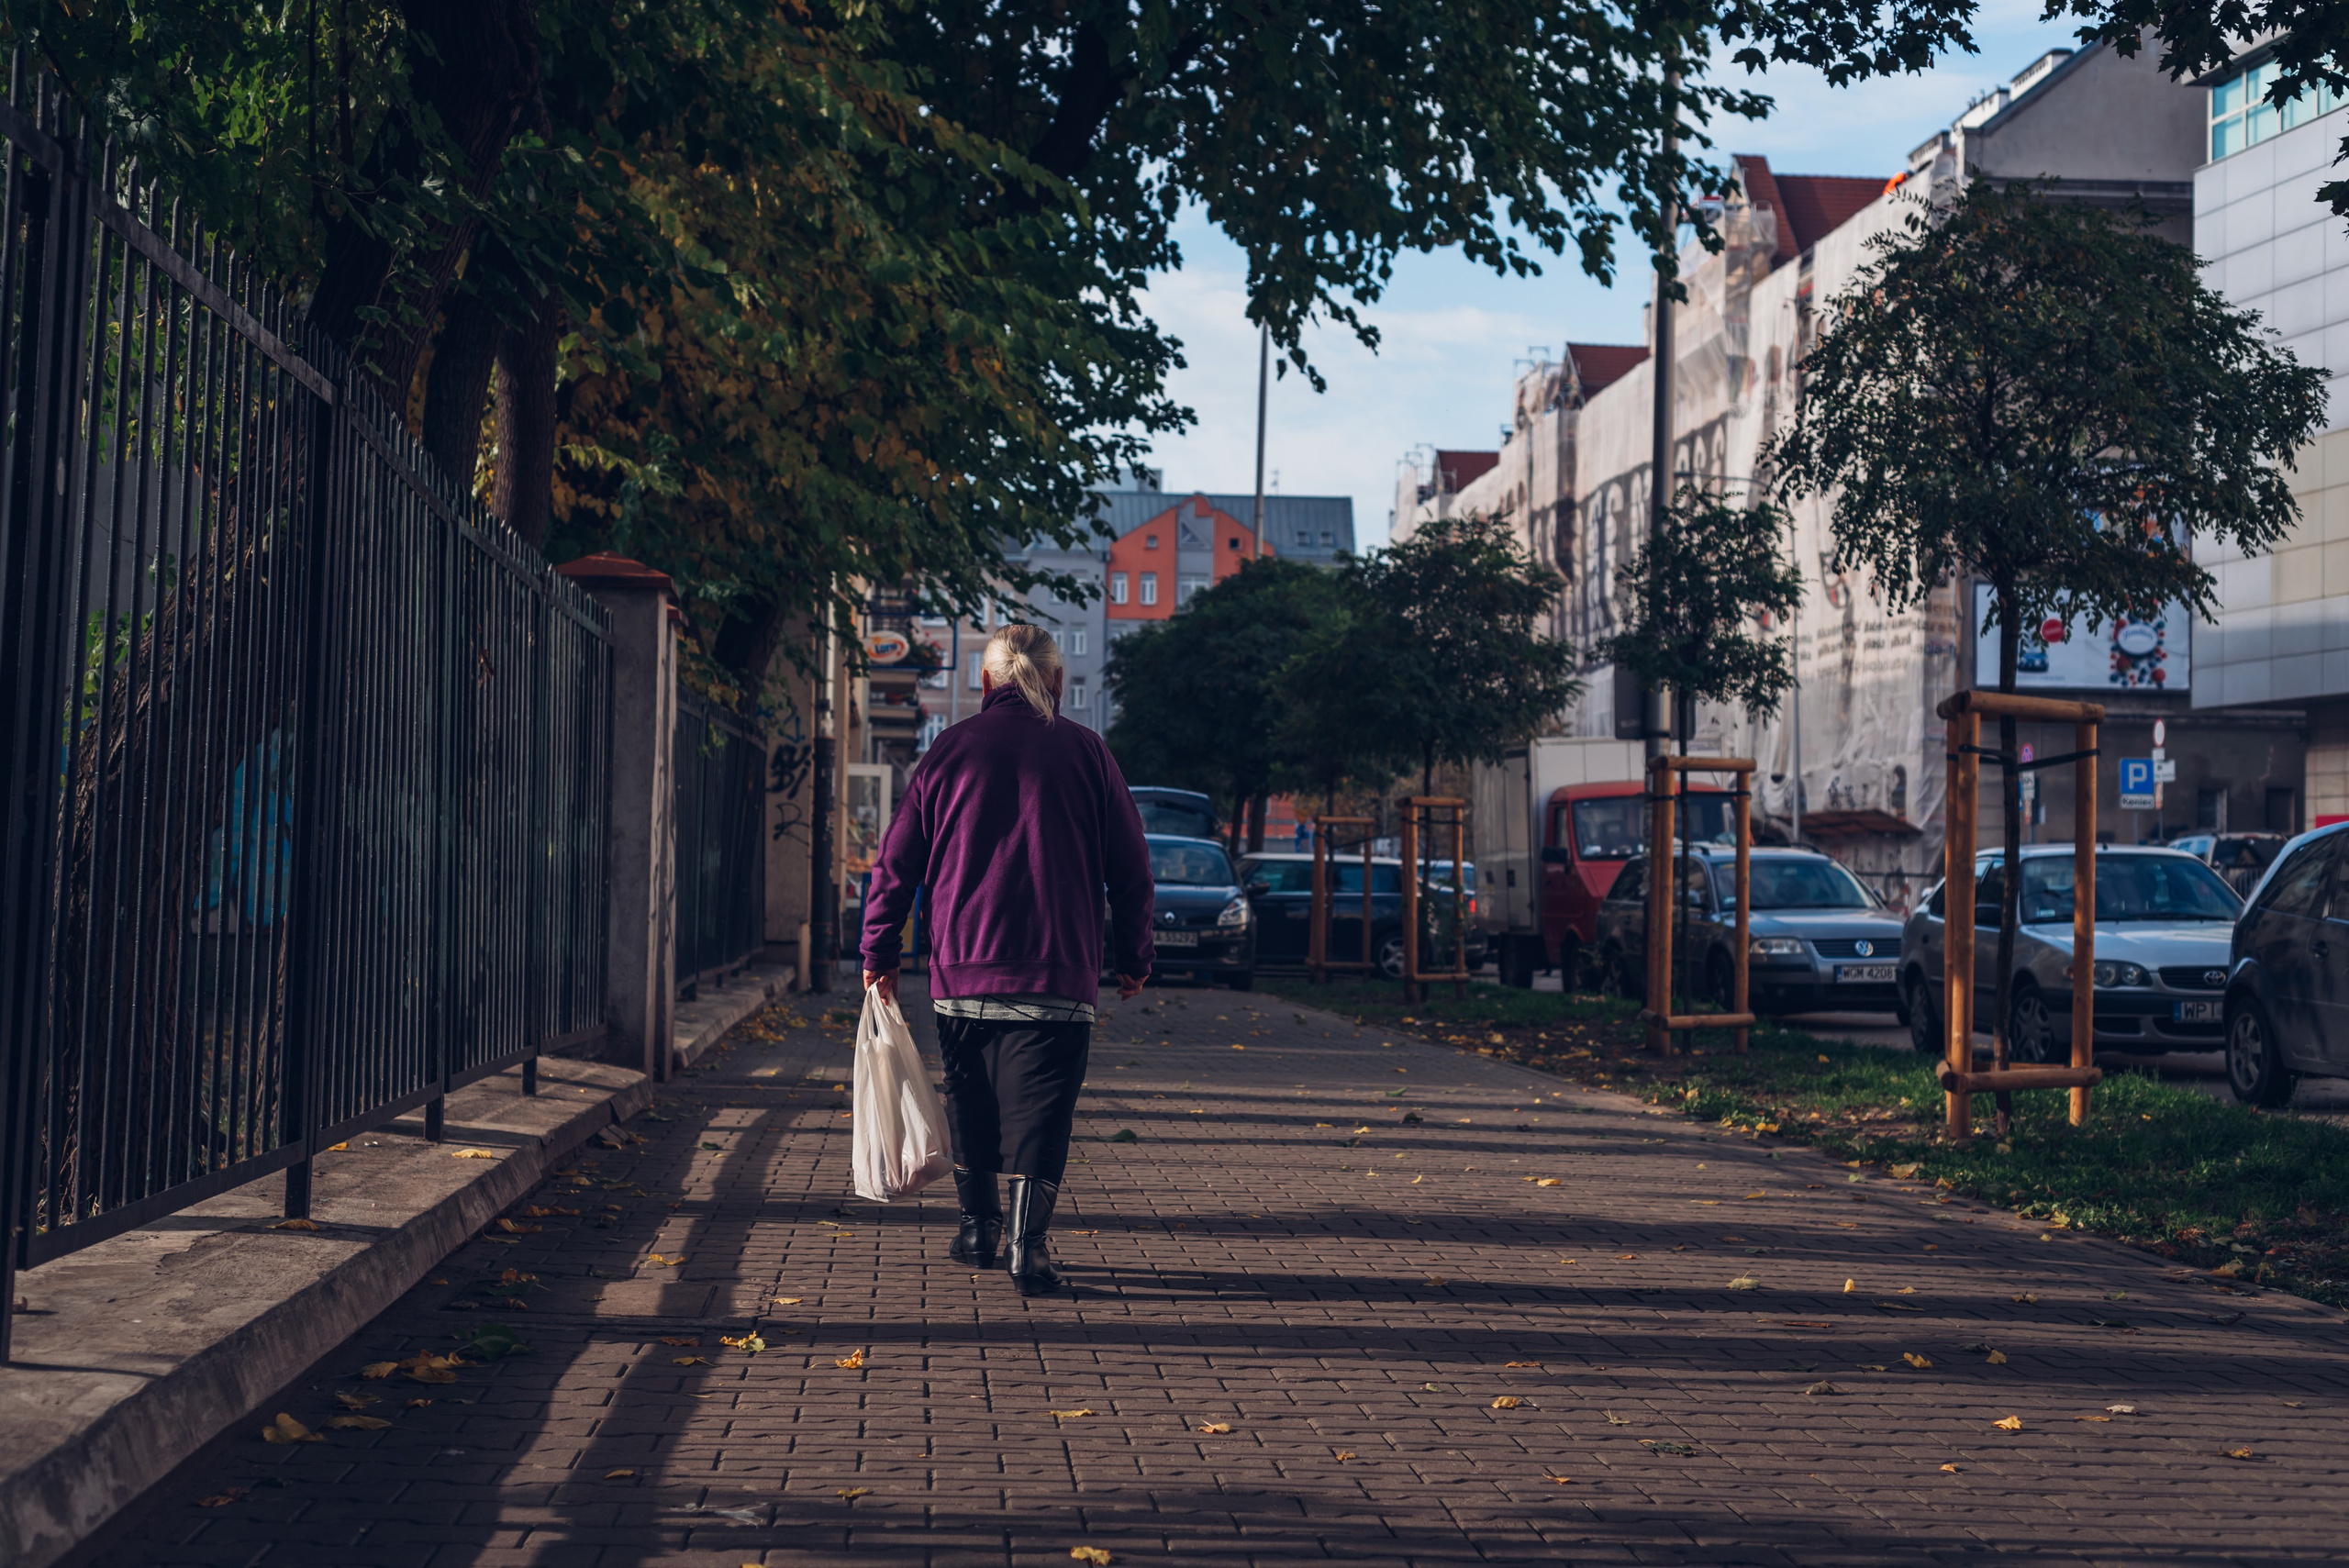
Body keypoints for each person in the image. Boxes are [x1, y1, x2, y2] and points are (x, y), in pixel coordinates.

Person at [859, 624, 1154, 1295]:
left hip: (962, 967)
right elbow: (1133, 869)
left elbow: (894, 866)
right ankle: (1029, 1246)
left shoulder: (947, 754)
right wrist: (1135, 955)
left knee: (971, 1097)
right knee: (1044, 1108)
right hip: (1058, 970)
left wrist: (878, 950)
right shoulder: (1089, 754)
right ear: (1055, 683)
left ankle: (977, 1230)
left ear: (985, 683)